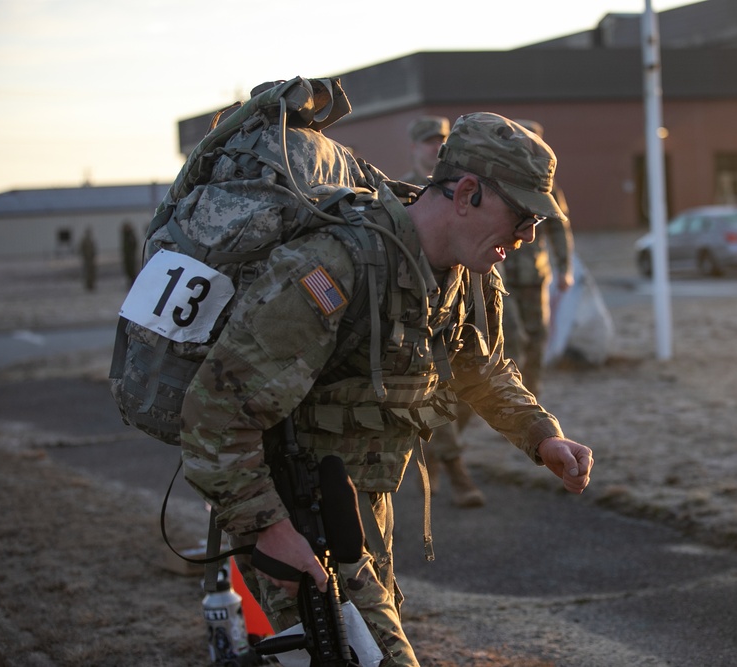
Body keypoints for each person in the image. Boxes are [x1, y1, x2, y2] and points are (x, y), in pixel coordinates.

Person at [180, 112, 594, 666]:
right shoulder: (337, 265)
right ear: (467, 193)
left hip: (364, 511)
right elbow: (214, 412)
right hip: (300, 517)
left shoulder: (465, 273)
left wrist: (543, 437)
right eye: (521, 216)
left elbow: (482, 368)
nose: (528, 237)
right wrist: (269, 530)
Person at [398, 114, 487, 508]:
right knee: (434, 385)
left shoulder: (464, 191)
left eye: (443, 140)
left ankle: (434, 451)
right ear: (415, 147)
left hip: (456, 304)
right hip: (412, 308)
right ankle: (457, 471)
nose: (437, 147)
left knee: (467, 383)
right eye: (429, 141)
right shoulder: (399, 191)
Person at [503, 119, 575, 397]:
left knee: (537, 339)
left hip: (534, 274)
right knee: (511, 341)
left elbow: (559, 228)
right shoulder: (501, 179)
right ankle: (510, 402)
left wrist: (564, 268)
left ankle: (530, 399)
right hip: (503, 277)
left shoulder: (547, 185)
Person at [398, 115, 449, 185]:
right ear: (414, 147)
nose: (437, 148)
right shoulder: (403, 188)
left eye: (441, 142)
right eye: (430, 142)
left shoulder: (455, 183)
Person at [120, 220, 139, 287]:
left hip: (131, 257)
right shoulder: (125, 236)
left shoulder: (130, 236)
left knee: (132, 271)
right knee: (128, 270)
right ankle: (130, 283)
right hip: (127, 256)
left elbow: (134, 245)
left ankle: (133, 283)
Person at [79, 227, 97, 291]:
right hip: (87, 259)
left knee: (92, 272)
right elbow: (81, 249)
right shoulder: (84, 241)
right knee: (87, 272)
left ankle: (92, 284)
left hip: (91, 259)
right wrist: (84, 257)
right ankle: (88, 284)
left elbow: (93, 249)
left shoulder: (91, 241)